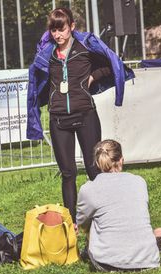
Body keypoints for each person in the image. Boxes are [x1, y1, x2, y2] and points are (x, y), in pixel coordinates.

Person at [26, 7, 135, 225]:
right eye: (54, 30)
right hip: (58, 119)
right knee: (68, 173)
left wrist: (93, 77)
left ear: (71, 27)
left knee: (94, 169)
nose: (58, 35)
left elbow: (110, 65)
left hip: (86, 115)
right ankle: (71, 222)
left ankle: (104, 215)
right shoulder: (47, 54)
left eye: (62, 29)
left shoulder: (85, 47)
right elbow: (36, 82)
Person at [77, 139, 160, 272]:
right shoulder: (139, 182)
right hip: (148, 260)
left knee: (92, 218)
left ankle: (93, 251)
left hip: (107, 263)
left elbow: (81, 222)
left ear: (98, 163)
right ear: (121, 160)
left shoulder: (89, 189)